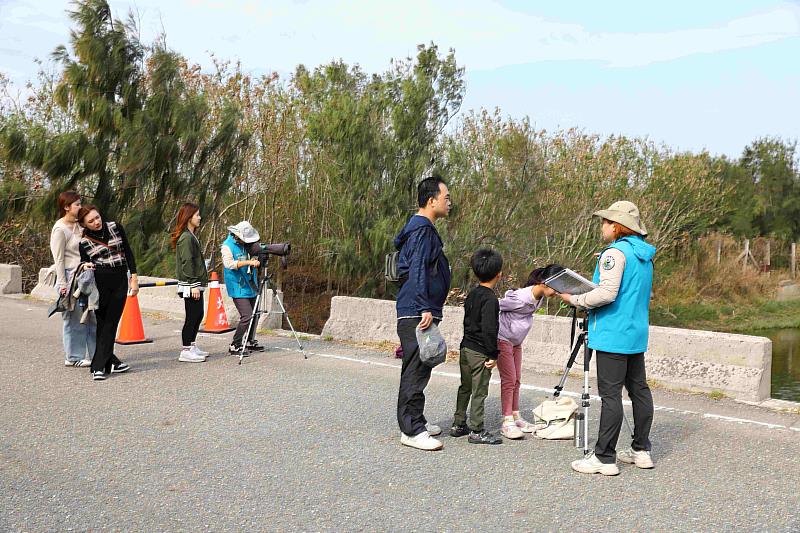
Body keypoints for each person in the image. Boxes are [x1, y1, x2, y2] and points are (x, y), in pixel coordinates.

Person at [558, 201, 657, 476]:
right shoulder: (644, 255)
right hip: (636, 331)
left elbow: (607, 293)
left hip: (614, 332)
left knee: (611, 395)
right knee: (639, 389)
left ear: (616, 226)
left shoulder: (614, 253)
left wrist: (574, 299)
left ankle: (604, 456)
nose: (602, 226)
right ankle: (641, 449)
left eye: (605, 222)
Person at [394, 175, 452, 451]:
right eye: (446, 197)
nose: (449, 202)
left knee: (421, 366)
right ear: (431, 201)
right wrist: (423, 306)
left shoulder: (421, 228)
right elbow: (417, 268)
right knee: (415, 370)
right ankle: (411, 429)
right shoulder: (421, 230)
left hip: (419, 308)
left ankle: (417, 419)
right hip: (416, 310)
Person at [496, 264, 562, 439]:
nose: (557, 292)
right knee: (509, 380)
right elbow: (494, 306)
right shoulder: (519, 298)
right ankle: (507, 421)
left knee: (517, 380)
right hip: (503, 339)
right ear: (543, 283)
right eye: (555, 287)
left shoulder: (539, 296)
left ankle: (516, 415)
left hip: (517, 342)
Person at [78, 205, 137, 381]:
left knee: (111, 321)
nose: (96, 222)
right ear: (84, 224)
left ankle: (101, 364)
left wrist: (134, 277)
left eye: (97, 217)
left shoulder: (116, 227)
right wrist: (85, 265)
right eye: (91, 221)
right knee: (104, 323)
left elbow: (128, 252)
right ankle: (106, 364)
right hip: (99, 281)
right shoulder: (84, 242)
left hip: (119, 278)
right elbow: (83, 263)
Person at [450, 248, 503, 445]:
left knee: (465, 387)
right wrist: (493, 354)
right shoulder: (490, 298)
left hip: (465, 348)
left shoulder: (472, 294)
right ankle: (477, 429)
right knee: (479, 390)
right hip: (481, 351)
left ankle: (458, 423)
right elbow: (489, 328)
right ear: (499, 274)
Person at [50, 190, 96, 367]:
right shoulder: (60, 229)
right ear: (66, 207)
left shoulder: (80, 225)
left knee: (91, 315)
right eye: (76, 204)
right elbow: (59, 259)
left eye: (80, 203)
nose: (80, 206)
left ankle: (95, 354)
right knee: (73, 317)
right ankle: (73, 357)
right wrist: (62, 284)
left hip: (86, 275)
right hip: (70, 276)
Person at [221, 221, 266, 355]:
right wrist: (249, 262)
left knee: (255, 314)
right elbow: (228, 264)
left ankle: (249, 340)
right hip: (237, 286)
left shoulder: (247, 245)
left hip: (251, 283)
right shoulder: (227, 246)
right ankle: (235, 344)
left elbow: (253, 254)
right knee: (247, 315)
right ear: (237, 236)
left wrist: (255, 257)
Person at [172, 202, 209, 363]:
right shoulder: (186, 238)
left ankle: (192, 345)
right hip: (190, 284)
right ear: (189, 217)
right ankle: (186, 350)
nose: (199, 218)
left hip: (195, 283)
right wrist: (194, 284)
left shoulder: (191, 235)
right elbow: (187, 262)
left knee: (198, 314)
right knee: (192, 316)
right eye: (197, 215)